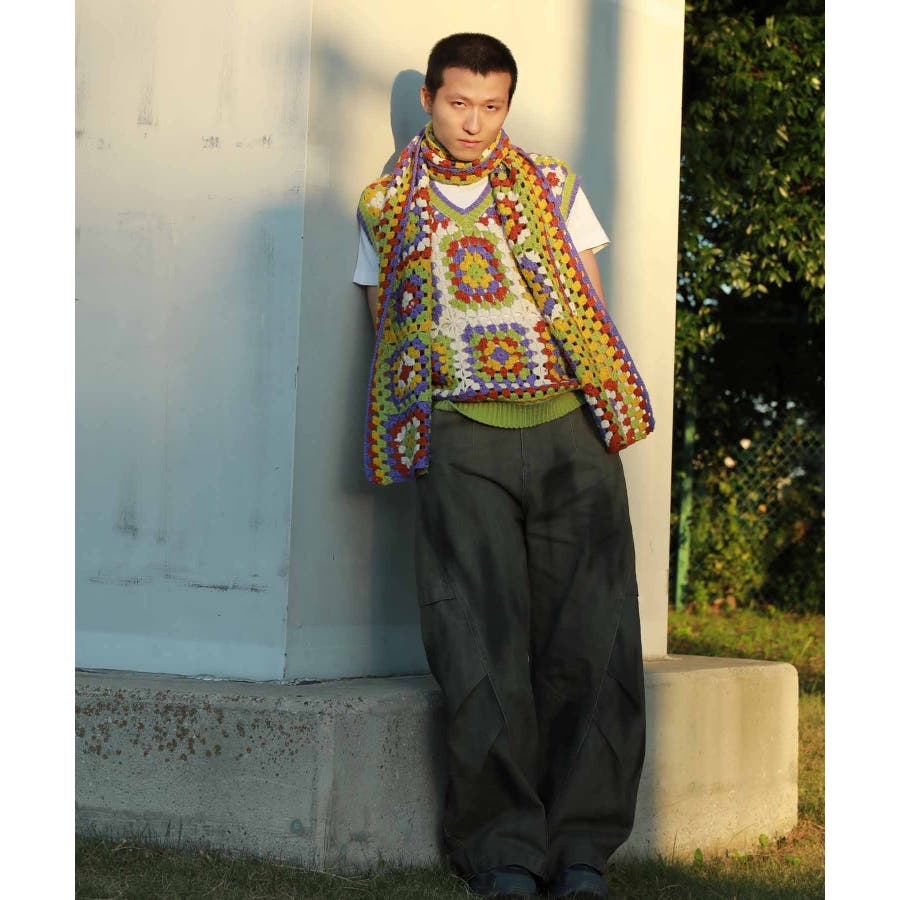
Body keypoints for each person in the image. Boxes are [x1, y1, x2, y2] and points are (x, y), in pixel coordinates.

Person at [354, 33, 653, 900]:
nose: (474, 123)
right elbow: (386, 323)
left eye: (491, 106)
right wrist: (424, 420)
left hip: (570, 433)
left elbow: (589, 304)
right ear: (429, 101)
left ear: (507, 105)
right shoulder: (384, 206)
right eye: (459, 103)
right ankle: (504, 854)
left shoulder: (554, 186)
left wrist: (594, 405)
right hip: (464, 438)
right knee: (476, 643)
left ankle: (584, 851)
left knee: (593, 637)